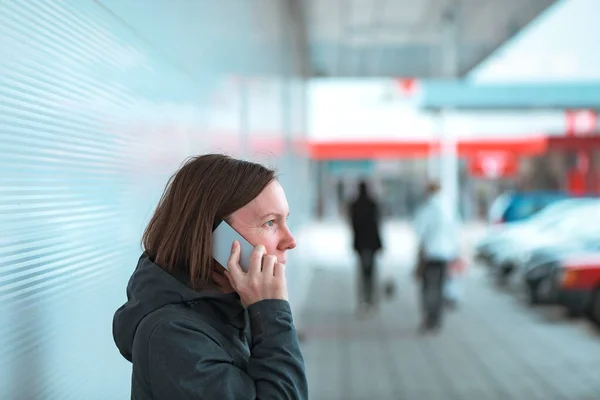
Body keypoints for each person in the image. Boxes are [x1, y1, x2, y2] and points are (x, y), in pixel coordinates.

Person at [112, 154, 308, 399]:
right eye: (270, 223)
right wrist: (271, 312)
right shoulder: (173, 337)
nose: (290, 241)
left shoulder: (231, 308)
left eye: (285, 220)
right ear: (214, 237)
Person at [413, 181, 460, 333]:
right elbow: (456, 230)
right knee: (439, 286)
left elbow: (419, 229)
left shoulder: (427, 208)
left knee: (427, 287)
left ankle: (429, 317)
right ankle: (437, 318)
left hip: (430, 253)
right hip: (445, 253)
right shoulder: (449, 207)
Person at [349, 180, 383, 315]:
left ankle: (364, 300)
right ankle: (370, 299)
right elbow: (377, 224)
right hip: (372, 244)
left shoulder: (355, 205)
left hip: (361, 244)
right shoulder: (372, 204)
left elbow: (353, 225)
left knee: (363, 272)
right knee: (371, 272)